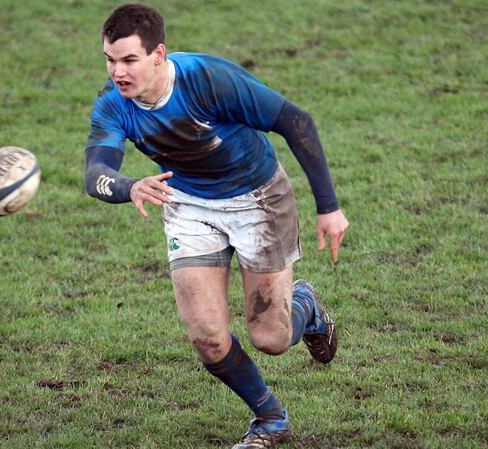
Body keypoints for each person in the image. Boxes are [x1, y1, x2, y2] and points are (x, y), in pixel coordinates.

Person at [84, 4, 349, 448]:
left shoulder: (209, 80)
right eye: (110, 60)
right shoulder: (114, 105)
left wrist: (329, 207)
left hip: (258, 200)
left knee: (271, 337)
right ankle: (270, 418)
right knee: (207, 338)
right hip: (189, 204)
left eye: (129, 60)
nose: (118, 72)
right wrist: (129, 186)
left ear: (158, 55)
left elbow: (296, 121)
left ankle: (306, 306)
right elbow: (96, 172)